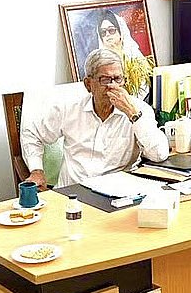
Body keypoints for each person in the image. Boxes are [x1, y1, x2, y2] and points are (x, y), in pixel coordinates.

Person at [21, 47, 168, 189]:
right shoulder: (68, 108)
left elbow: (159, 154)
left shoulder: (138, 110)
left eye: (118, 79)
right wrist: (36, 170)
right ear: (88, 84)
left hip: (117, 194)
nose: (113, 86)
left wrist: (133, 115)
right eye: (105, 79)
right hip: (73, 193)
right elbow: (32, 134)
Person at [93, 9, 152, 100]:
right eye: (103, 32)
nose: (107, 35)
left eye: (111, 30)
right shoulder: (98, 61)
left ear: (120, 31)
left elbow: (144, 86)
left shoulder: (133, 54)